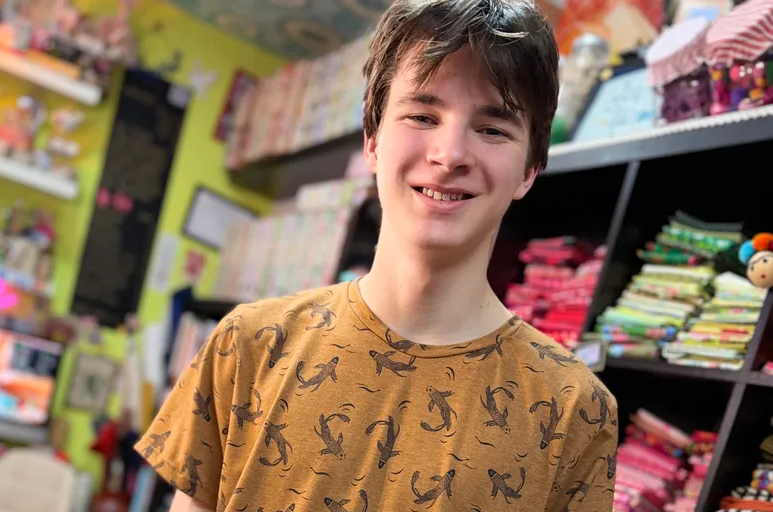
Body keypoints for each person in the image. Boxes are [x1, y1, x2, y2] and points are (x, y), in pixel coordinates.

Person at [136, 0, 619, 510]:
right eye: (422, 115)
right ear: (372, 139)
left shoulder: (571, 413)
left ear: (528, 170)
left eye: (492, 128)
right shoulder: (250, 346)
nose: (449, 154)